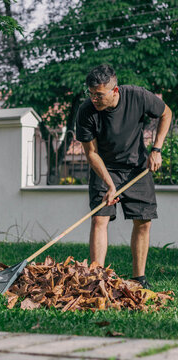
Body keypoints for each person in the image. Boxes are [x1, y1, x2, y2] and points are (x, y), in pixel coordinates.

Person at [76, 64, 172, 288]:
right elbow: (91, 153)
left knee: (143, 221)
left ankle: (139, 278)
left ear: (115, 91)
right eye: (90, 94)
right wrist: (109, 185)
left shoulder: (138, 96)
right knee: (100, 218)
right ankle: (96, 278)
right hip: (104, 167)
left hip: (137, 168)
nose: (94, 99)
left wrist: (156, 150)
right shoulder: (86, 111)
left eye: (99, 95)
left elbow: (166, 113)